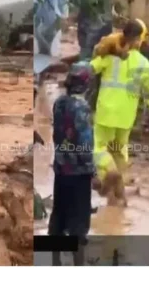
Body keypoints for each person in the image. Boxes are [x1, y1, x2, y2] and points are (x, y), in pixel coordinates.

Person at [90, 19, 149, 207]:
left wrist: (96, 52)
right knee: (119, 151)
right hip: (126, 117)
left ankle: (110, 172)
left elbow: (90, 68)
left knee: (99, 148)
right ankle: (118, 198)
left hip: (106, 112)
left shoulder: (111, 56)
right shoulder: (143, 64)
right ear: (139, 40)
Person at [48, 66, 94, 266]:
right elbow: (84, 142)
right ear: (85, 85)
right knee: (79, 222)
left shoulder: (59, 103)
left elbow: (57, 134)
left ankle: (55, 262)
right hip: (78, 173)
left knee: (59, 215)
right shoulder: (81, 107)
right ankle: (79, 265)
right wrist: (92, 168)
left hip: (61, 168)